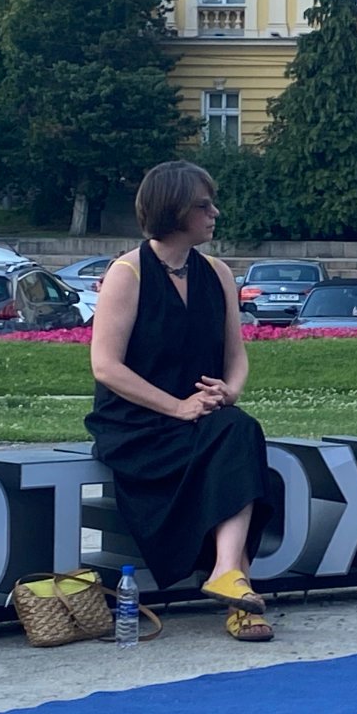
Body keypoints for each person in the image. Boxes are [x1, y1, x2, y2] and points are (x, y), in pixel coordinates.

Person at [85, 161, 279, 641]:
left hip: (201, 419)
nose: (215, 213)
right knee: (236, 441)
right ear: (173, 211)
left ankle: (228, 574)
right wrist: (177, 407)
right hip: (137, 424)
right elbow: (105, 367)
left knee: (238, 429)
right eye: (203, 206)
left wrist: (230, 390)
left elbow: (236, 355)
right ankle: (236, 588)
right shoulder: (127, 273)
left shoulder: (217, 273)